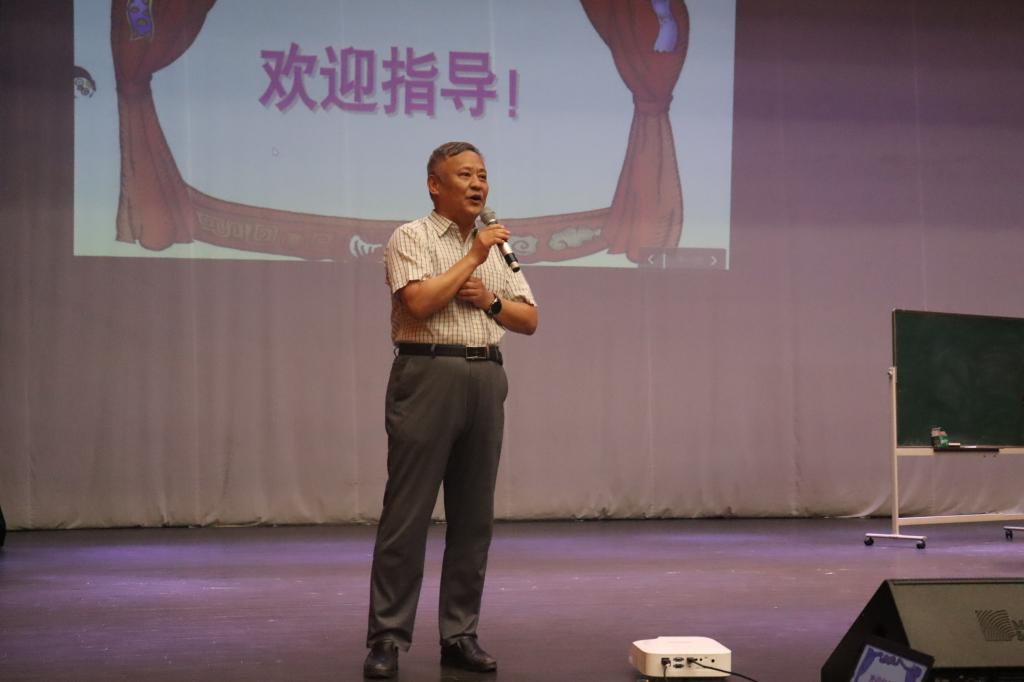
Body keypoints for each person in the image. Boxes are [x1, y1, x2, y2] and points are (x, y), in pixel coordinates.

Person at [363, 141, 538, 678]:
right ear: (435, 185)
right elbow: (418, 302)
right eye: (464, 175)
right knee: (407, 514)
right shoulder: (411, 237)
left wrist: (491, 300)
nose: (477, 184)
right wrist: (473, 257)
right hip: (427, 373)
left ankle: (460, 633)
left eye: (482, 174)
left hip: (486, 375)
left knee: (473, 517)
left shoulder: (496, 245)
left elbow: (529, 318)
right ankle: (387, 638)